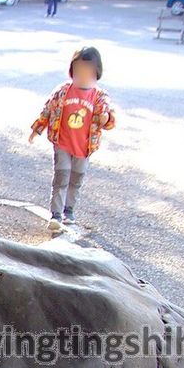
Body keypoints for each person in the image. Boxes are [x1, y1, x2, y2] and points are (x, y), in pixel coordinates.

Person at [29, 46, 116, 233]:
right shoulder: (62, 92)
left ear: (96, 73)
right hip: (63, 142)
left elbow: (108, 117)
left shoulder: (99, 97)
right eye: (79, 71)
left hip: (84, 146)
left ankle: (69, 210)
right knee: (62, 176)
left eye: (87, 72)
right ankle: (56, 214)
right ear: (72, 71)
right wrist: (37, 129)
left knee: (76, 179)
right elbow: (47, 110)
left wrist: (106, 118)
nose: (82, 75)